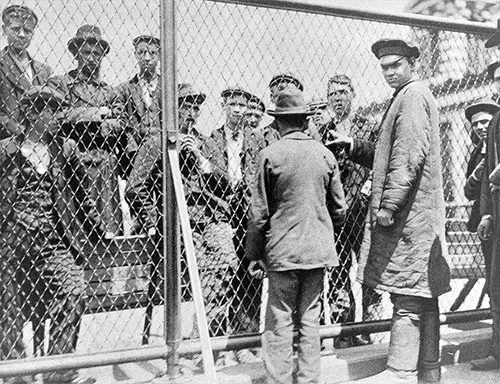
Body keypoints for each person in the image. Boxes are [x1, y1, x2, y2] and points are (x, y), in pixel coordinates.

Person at [331, 39, 450, 384]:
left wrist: (388, 206)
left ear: (413, 62)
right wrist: (353, 147)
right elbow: (390, 154)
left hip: (409, 218)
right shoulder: (411, 95)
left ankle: (399, 372)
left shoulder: (411, 97)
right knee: (423, 293)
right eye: (384, 67)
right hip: (419, 216)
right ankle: (429, 371)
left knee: (407, 295)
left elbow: (407, 157)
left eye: (396, 64)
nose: (389, 72)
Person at [126, 83, 240, 369]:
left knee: (226, 267)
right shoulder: (156, 142)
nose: (191, 112)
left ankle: (206, 343)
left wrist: (202, 161)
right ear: (171, 109)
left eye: (195, 107)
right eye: (185, 106)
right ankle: (193, 346)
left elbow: (228, 185)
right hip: (177, 222)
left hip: (211, 218)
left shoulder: (204, 142)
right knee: (200, 278)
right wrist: (155, 221)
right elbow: (134, 188)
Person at [0, 85, 103, 384]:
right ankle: (14, 374)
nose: (59, 116)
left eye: (59, 109)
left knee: (74, 289)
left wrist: (98, 230)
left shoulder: (65, 148)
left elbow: (83, 195)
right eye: (52, 109)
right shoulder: (6, 149)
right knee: (8, 306)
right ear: (33, 112)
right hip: (10, 240)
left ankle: (58, 372)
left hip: (50, 240)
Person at [245, 85, 346, 384]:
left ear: (277, 123)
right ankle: (309, 380)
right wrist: (323, 230)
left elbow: (258, 214)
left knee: (279, 322)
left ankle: (278, 381)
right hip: (316, 252)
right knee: (311, 321)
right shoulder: (325, 155)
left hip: (282, 252)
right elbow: (340, 209)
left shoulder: (269, 154)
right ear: (305, 121)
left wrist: (253, 255)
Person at [311, 74, 380, 348]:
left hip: (362, 211)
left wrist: (369, 188)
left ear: (352, 94)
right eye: (333, 94)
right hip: (335, 214)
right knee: (338, 273)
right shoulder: (321, 130)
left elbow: (380, 159)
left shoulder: (368, 127)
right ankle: (344, 331)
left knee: (368, 273)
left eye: (342, 92)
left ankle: (370, 328)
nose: (338, 98)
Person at [201, 85, 265, 363]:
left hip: (250, 216)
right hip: (224, 215)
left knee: (252, 275)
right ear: (224, 106)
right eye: (233, 104)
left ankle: (247, 341)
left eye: (243, 105)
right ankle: (217, 345)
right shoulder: (212, 140)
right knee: (223, 276)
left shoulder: (257, 139)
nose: (238, 110)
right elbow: (208, 181)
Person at [49, 25, 123, 237]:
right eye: (86, 53)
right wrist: (96, 114)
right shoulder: (61, 83)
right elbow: (58, 116)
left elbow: (119, 123)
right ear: (76, 54)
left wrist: (98, 123)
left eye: (97, 54)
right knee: (77, 223)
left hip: (105, 162)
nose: (92, 59)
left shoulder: (109, 90)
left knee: (108, 228)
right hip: (75, 158)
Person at [473, 50, 500, 370]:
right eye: (495, 81)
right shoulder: (495, 123)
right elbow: (489, 176)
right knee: (497, 288)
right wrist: (488, 213)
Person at [463, 99, 499, 328]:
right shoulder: (477, 152)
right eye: (475, 124)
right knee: (493, 280)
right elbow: (468, 192)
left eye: (485, 121)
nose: (480, 127)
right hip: (487, 224)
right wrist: (477, 175)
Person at [0, 4, 52, 139]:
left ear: (32, 33)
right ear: (4, 30)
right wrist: (11, 125)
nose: (22, 35)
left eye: (27, 30)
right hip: (6, 140)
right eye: (16, 29)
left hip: (38, 139)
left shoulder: (43, 70)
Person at [114, 35, 161, 178]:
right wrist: (133, 151)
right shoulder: (124, 89)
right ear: (135, 55)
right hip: (134, 157)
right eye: (141, 52)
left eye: (152, 53)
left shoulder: (169, 89)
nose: (147, 58)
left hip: (163, 153)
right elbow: (120, 121)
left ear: (159, 56)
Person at [259, 72, 304, 147]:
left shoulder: (311, 133)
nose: (287, 97)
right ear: (272, 98)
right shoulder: (261, 136)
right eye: (281, 92)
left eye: (292, 93)